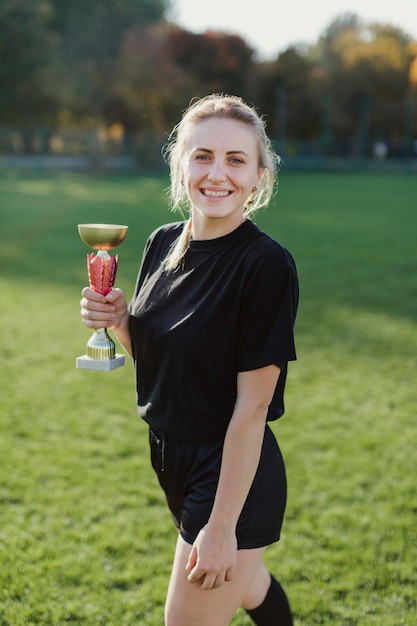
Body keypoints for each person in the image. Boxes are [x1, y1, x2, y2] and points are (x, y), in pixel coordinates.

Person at [80, 94, 299, 626]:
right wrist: (118, 319)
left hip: (228, 472)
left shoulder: (266, 266)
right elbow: (156, 355)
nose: (216, 173)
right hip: (169, 457)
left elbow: (252, 409)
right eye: (202, 156)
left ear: (258, 176)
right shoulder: (161, 243)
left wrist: (222, 526)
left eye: (235, 159)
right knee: (251, 587)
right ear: (181, 164)